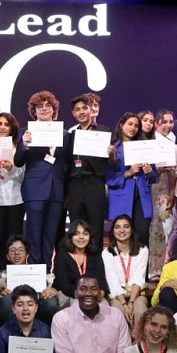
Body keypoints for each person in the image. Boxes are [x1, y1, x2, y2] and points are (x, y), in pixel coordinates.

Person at [15, 90, 69, 270]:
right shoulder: (25, 132)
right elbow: (18, 161)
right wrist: (24, 145)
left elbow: (67, 163)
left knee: (50, 235)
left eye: (48, 106)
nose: (44, 109)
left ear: (54, 110)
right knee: (34, 233)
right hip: (35, 189)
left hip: (56, 190)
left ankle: (46, 270)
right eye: (40, 106)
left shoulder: (64, 134)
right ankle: (33, 270)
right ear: (34, 111)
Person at [65, 95, 114, 247]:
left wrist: (112, 154)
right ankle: (77, 258)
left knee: (95, 225)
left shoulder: (103, 132)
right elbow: (67, 163)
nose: (81, 112)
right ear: (73, 113)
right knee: (76, 225)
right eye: (77, 109)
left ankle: (95, 259)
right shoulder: (71, 135)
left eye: (84, 108)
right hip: (75, 185)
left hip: (95, 184)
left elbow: (111, 163)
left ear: (90, 109)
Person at [107, 112, 156, 244]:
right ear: (121, 125)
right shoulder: (113, 149)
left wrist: (149, 173)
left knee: (142, 234)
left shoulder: (144, 147)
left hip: (142, 196)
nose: (133, 128)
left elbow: (154, 176)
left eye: (136, 125)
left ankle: (142, 259)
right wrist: (128, 173)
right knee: (121, 236)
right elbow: (108, 177)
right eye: (130, 124)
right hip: (121, 197)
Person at [0, 112, 25, 268]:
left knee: (15, 238)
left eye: (6, 124)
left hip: (15, 199)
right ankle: (1, 268)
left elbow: (22, 175)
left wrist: (12, 168)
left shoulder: (17, 148)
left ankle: (16, 269)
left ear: (12, 128)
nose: (2, 127)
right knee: (0, 238)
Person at [0, 234, 60, 326]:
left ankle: (44, 331)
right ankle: (8, 332)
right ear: (7, 256)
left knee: (51, 302)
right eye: (12, 250)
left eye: (21, 250)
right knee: (6, 299)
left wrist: (52, 291)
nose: (17, 253)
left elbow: (52, 290)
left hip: (37, 309)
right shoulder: (0, 276)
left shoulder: (38, 272)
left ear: (27, 255)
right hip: (13, 312)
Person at [103, 214, 150, 337]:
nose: (122, 230)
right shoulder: (107, 253)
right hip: (117, 296)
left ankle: (140, 341)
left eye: (126, 227)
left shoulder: (142, 250)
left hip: (137, 294)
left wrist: (131, 302)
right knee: (117, 309)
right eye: (117, 227)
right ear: (113, 231)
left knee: (140, 307)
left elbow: (139, 278)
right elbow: (113, 282)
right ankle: (123, 344)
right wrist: (125, 304)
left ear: (132, 229)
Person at [52, 220, 109, 309]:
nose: (81, 237)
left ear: (90, 237)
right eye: (76, 234)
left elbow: (101, 279)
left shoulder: (95, 254)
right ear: (70, 236)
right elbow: (63, 283)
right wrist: (83, 294)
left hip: (93, 295)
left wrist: (101, 292)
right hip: (70, 294)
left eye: (85, 234)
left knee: (105, 307)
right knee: (78, 305)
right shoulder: (62, 254)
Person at [148, 110, 177, 280]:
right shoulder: (151, 140)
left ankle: (165, 267)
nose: (168, 125)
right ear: (157, 123)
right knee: (157, 227)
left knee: (167, 227)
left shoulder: (172, 139)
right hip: (154, 186)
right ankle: (155, 269)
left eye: (171, 122)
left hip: (167, 186)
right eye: (164, 122)